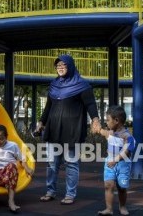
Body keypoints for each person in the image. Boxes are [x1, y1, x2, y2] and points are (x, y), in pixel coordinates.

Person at [33, 54, 100, 205]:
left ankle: (70, 194)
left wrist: (95, 120)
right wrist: (40, 122)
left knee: (71, 163)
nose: (60, 68)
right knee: (51, 162)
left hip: (72, 131)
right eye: (58, 66)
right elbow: (48, 107)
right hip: (53, 129)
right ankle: (50, 191)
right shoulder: (54, 85)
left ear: (70, 66)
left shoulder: (82, 84)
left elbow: (90, 104)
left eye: (63, 65)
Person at [92, 105, 136, 216]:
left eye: (108, 120)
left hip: (122, 164)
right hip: (110, 162)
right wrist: (97, 128)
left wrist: (116, 160)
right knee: (108, 185)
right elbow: (102, 132)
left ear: (116, 121)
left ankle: (122, 206)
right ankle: (109, 209)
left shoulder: (127, 136)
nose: (106, 122)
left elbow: (127, 151)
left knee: (121, 187)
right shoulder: (110, 133)